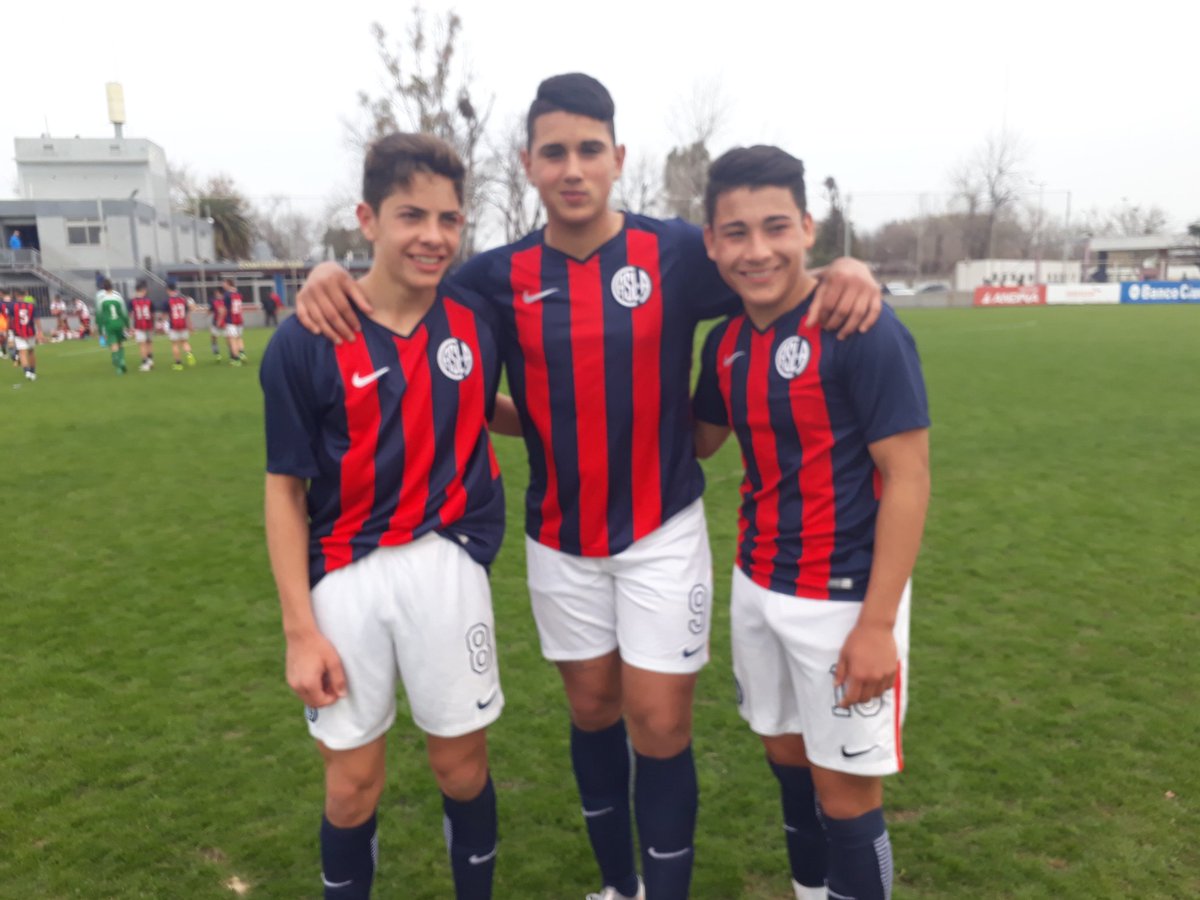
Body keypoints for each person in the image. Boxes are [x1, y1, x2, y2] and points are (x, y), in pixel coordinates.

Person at [295, 74, 882, 900]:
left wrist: (848, 265)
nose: (573, 168)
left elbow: (772, 269)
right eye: (555, 152)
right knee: (594, 711)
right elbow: (404, 301)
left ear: (618, 158)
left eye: (589, 150)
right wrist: (329, 273)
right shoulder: (491, 277)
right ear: (528, 165)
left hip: (661, 528)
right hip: (560, 537)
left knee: (662, 723)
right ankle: (619, 885)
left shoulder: (677, 252)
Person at [261, 132, 513, 900]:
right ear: (367, 219)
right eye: (411, 215)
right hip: (345, 575)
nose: (433, 236)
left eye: (448, 218)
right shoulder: (306, 340)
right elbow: (284, 490)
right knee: (351, 787)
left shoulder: (477, 317)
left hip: (446, 563)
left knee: (462, 769)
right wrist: (300, 632)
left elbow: (483, 409)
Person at [691, 146, 930, 900]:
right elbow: (695, 440)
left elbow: (909, 479)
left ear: (807, 227)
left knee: (847, 798)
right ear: (711, 242)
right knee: (790, 766)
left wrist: (876, 627)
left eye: (775, 227)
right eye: (736, 232)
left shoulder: (861, 327)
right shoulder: (725, 343)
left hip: (843, 599)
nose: (757, 251)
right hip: (757, 584)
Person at [96, 278, 130, 374]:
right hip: (119, 323)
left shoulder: (101, 300)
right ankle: (122, 360)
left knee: (113, 344)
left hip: (109, 324)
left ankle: (118, 365)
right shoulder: (118, 297)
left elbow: (99, 316)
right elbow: (124, 313)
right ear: (112, 286)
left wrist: (100, 330)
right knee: (120, 343)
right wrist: (127, 325)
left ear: (104, 288)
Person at [163, 279, 197, 370]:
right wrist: (190, 326)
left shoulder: (168, 301)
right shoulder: (183, 300)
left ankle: (178, 364)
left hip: (173, 325)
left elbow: (165, 314)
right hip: (183, 324)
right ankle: (189, 354)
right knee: (184, 342)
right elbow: (187, 315)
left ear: (168, 290)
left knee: (175, 344)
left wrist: (162, 322)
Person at [10, 289, 40, 380]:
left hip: (18, 332)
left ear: (16, 295)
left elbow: (11, 319)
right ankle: (33, 372)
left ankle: (27, 371)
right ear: (25, 295)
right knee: (31, 351)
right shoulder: (31, 306)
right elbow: (36, 319)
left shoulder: (13, 306)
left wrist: (10, 331)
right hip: (30, 332)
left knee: (22, 352)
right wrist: (40, 331)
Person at [130, 280, 156, 372]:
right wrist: (153, 324)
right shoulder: (149, 300)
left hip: (139, 325)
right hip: (149, 324)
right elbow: (153, 314)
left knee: (142, 345)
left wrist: (131, 327)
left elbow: (131, 314)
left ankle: (145, 364)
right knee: (149, 343)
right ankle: (150, 360)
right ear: (144, 290)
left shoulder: (132, 301)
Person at [222, 277, 247, 364]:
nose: (223, 285)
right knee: (239, 338)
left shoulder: (227, 294)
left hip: (231, 320)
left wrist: (222, 320)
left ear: (228, 284)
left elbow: (225, 308)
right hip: (239, 319)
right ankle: (242, 353)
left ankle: (236, 359)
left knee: (232, 340)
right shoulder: (238, 293)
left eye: (224, 283)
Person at [208, 287, 226, 361]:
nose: (215, 294)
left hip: (219, 323)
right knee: (214, 337)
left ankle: (217, 353)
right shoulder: (225, 300)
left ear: (219, 293)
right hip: (225, 322)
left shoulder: (215, 301)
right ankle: (217, 353)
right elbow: (211, 310)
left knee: (215, 338)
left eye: (217, 292)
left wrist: (219, 321)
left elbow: (220, 311)